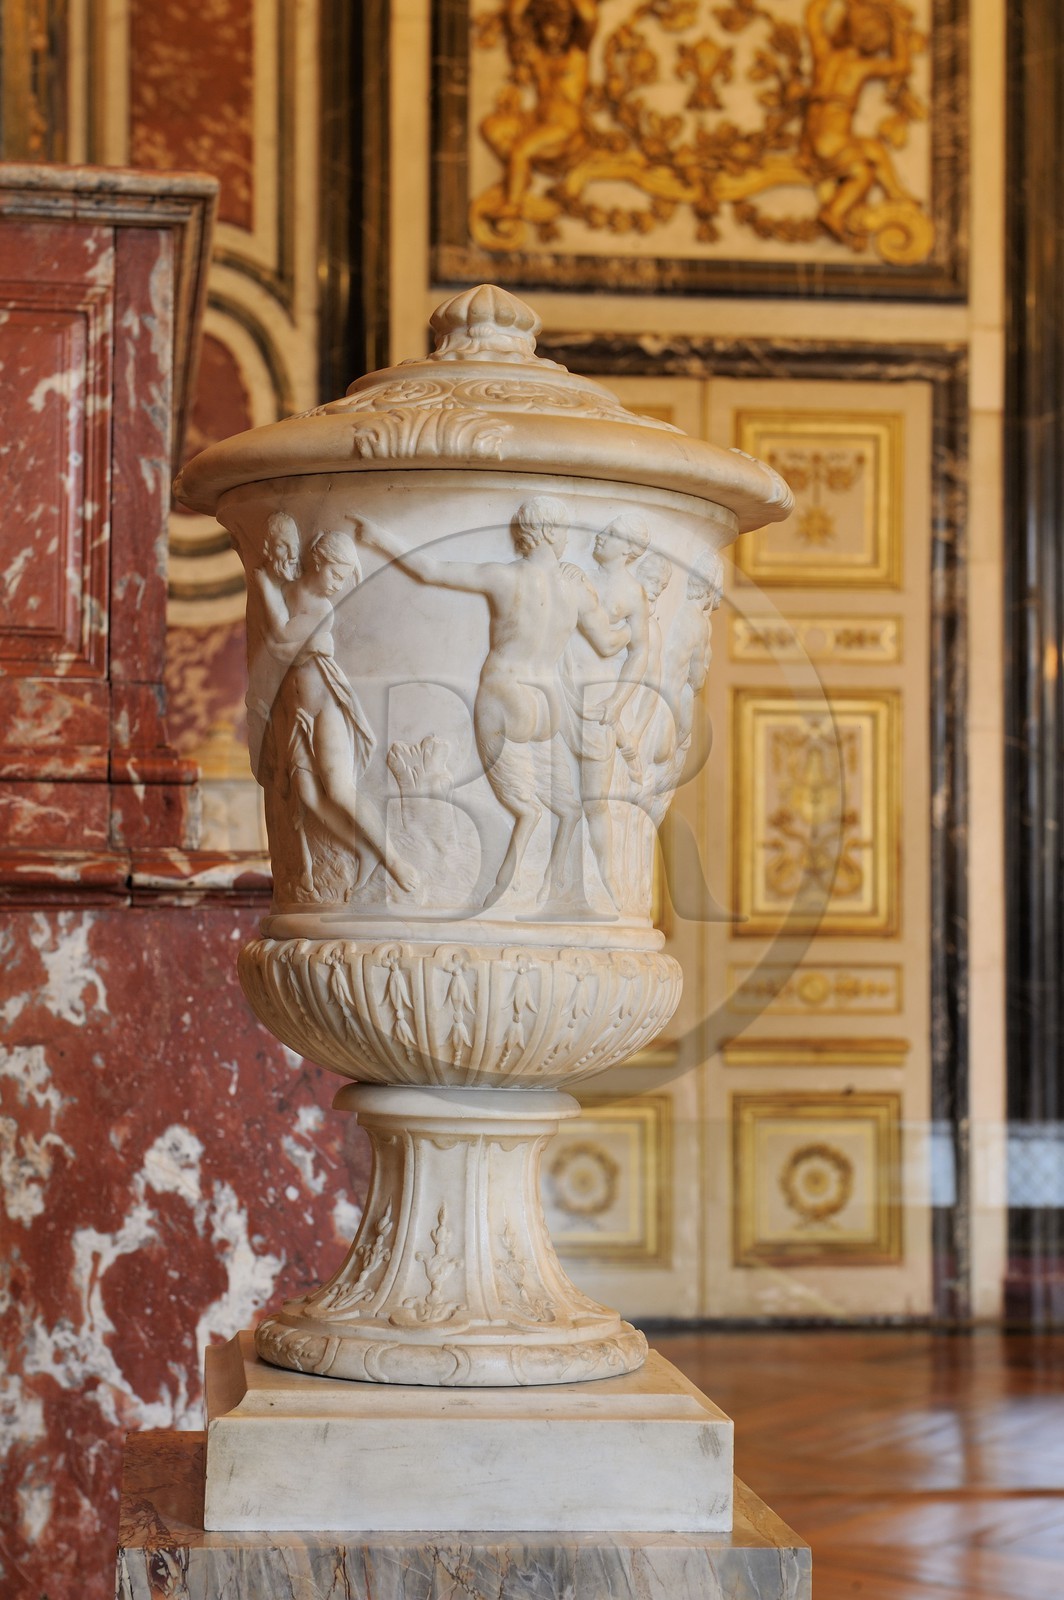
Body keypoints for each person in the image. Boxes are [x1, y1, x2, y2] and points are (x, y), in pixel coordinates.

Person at [352, 497, 628, 904]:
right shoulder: (575, 590)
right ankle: (549, 883)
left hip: (506, 693)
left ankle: (500, 885)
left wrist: (378, 537)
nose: (568, 538)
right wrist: (640, 626)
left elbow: (430, 571)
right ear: (551, 533)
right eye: (565, 530)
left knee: (527, 810)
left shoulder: (504, 578)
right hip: (546, 704)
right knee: (567, 810)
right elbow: (608, 641)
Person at [259, 525, 416, 897]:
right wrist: (266, 584)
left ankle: (393, 858)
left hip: (325, 706)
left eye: (343, 580)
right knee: (310, 800)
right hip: (296, 712)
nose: (336, 585)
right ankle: (363, 850)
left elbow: (283, 644)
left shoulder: (324, 609)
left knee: (341, 791)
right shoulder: (289, 592)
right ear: (318, 560)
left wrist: (263, 586)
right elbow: (282, 648)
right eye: (335, 573)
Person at [561, 513, 651, 905]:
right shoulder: (576, 573)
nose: (600, 535)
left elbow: (641, 654)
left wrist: (616, 705)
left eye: (612, 533)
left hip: (595, 699)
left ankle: (607, 880)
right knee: (556, 790)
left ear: (630, 550)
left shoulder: (632, 594)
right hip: (558, 685)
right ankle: (558, 880)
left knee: (594, 800)